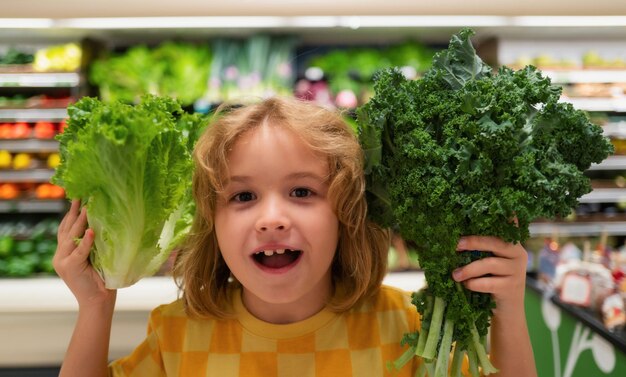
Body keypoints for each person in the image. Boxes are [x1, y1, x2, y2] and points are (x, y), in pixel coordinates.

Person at [53, 96, 537, 377]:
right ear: (211, 225)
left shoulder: (406, 328)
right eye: (242, 197)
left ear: (348, 213)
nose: (271, 218)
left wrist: (508, 305)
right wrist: (96, 308)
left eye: (301, 191)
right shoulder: (178, 334)